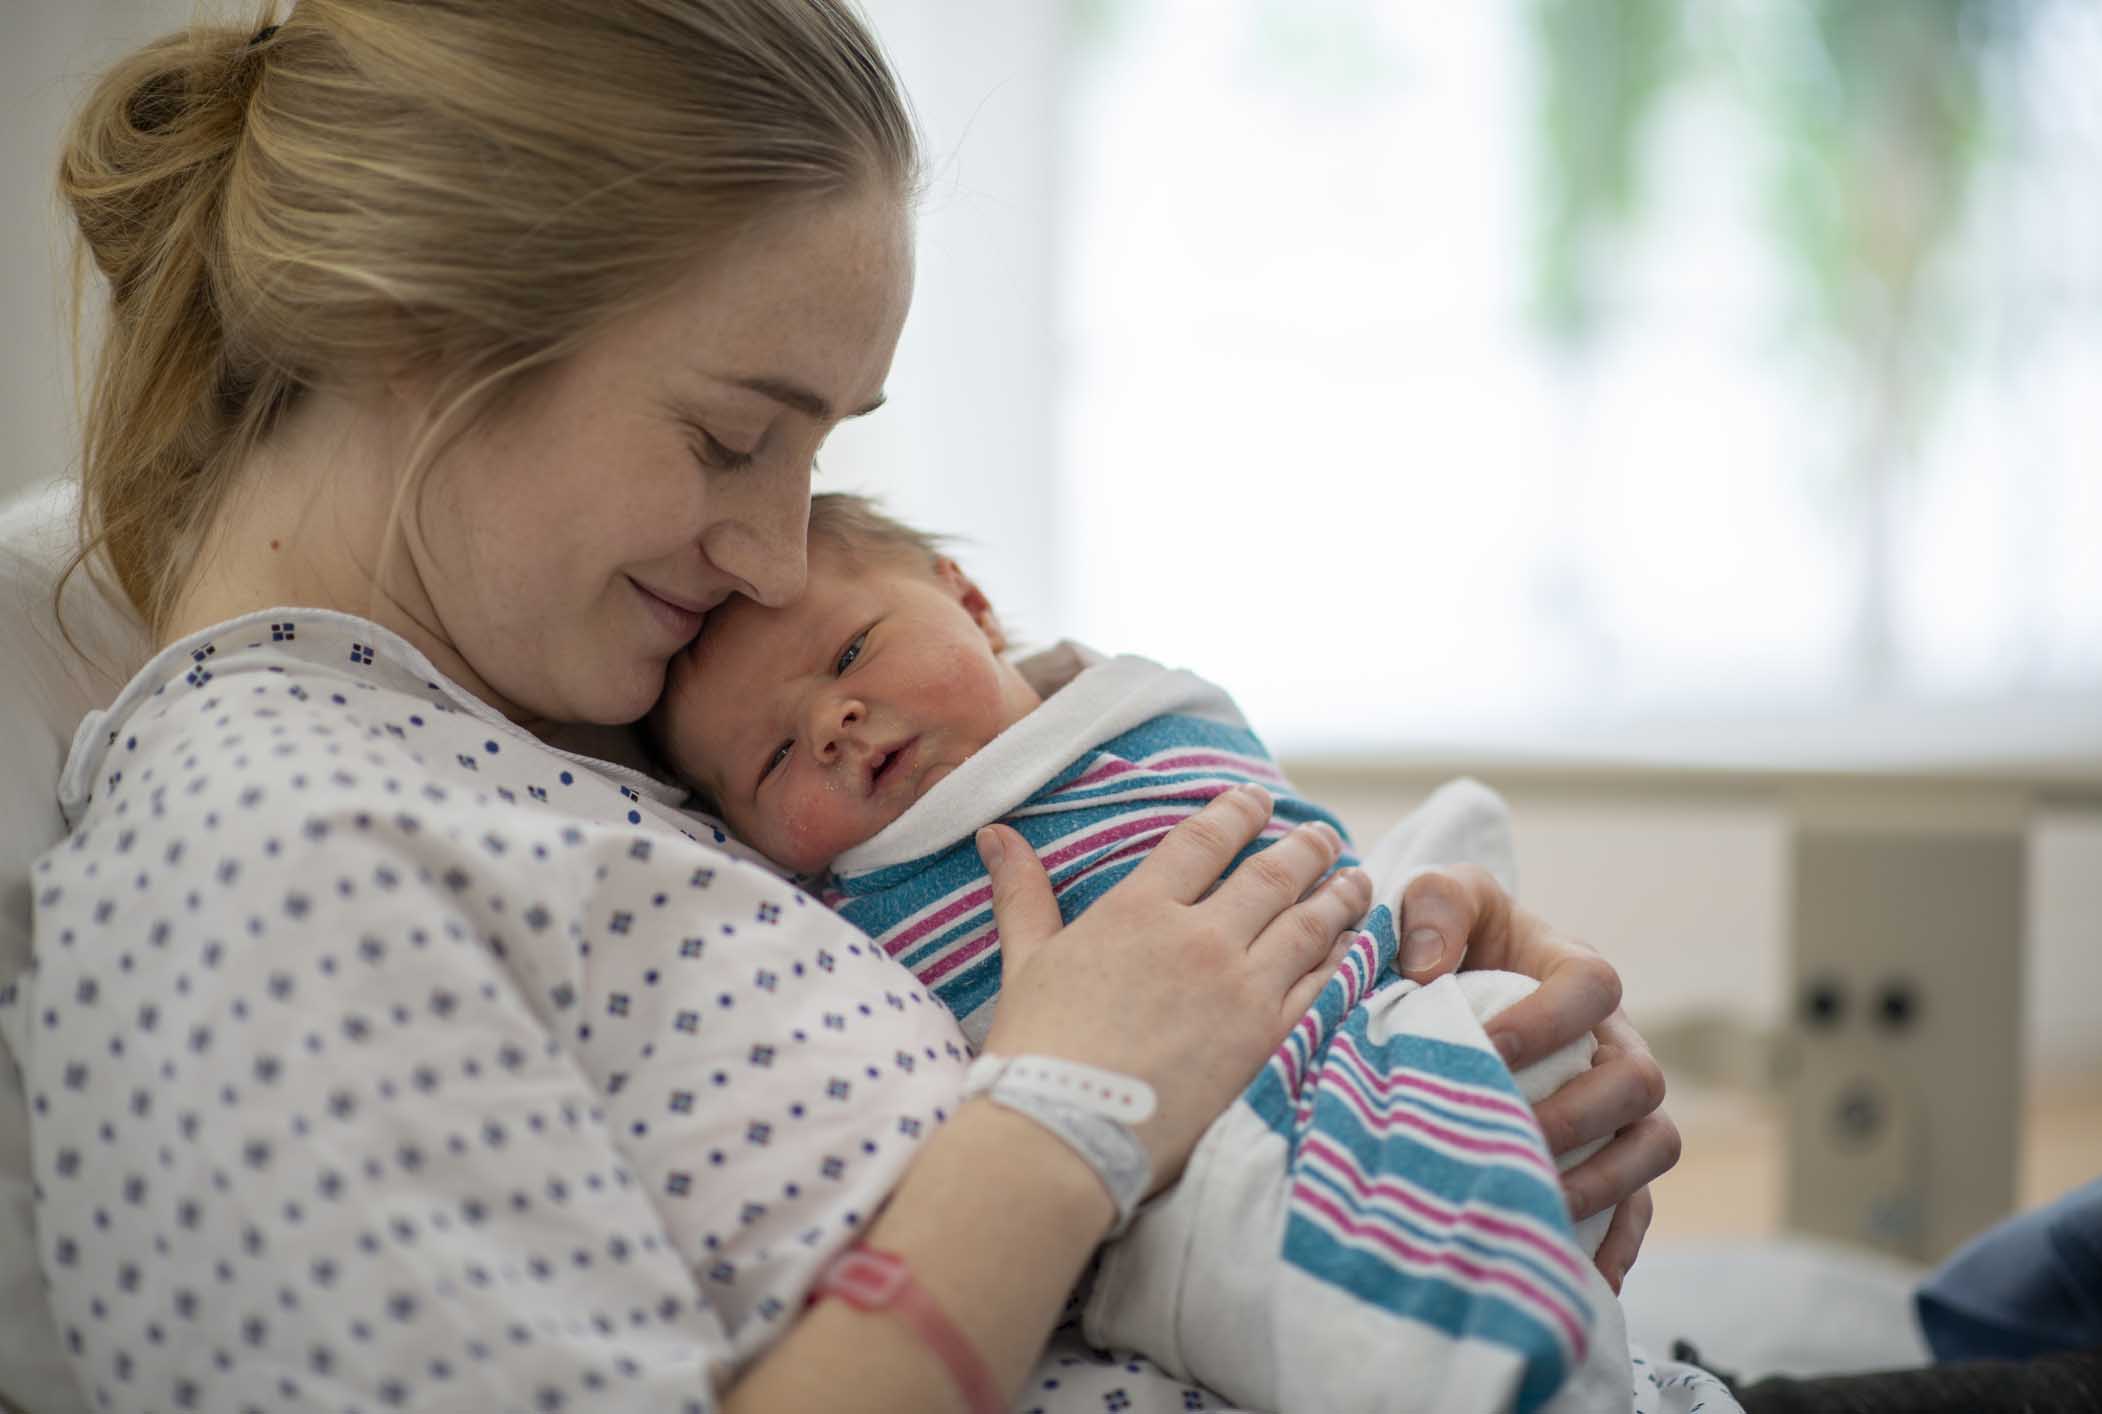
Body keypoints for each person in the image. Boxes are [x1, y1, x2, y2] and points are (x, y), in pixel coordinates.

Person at [4, 4, 1678, 1411]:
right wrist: (1068, 1104)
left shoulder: (561, 739)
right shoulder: (268, 865)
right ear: (413, 331)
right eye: (734, 434)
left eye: (820, 452)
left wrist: (1412, 1045)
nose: (772, 546)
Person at [648, 492, 1738, 1413]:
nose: (833, 720)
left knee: (1500, 1003)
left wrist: (1416, 930)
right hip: (1219, 1129)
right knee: (1285, 1249)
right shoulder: (843, 909)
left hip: (1369, 989)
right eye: (776, 753)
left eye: (849, 651)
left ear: (970, 602)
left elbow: (1293, 837)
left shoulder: (1129, 708)